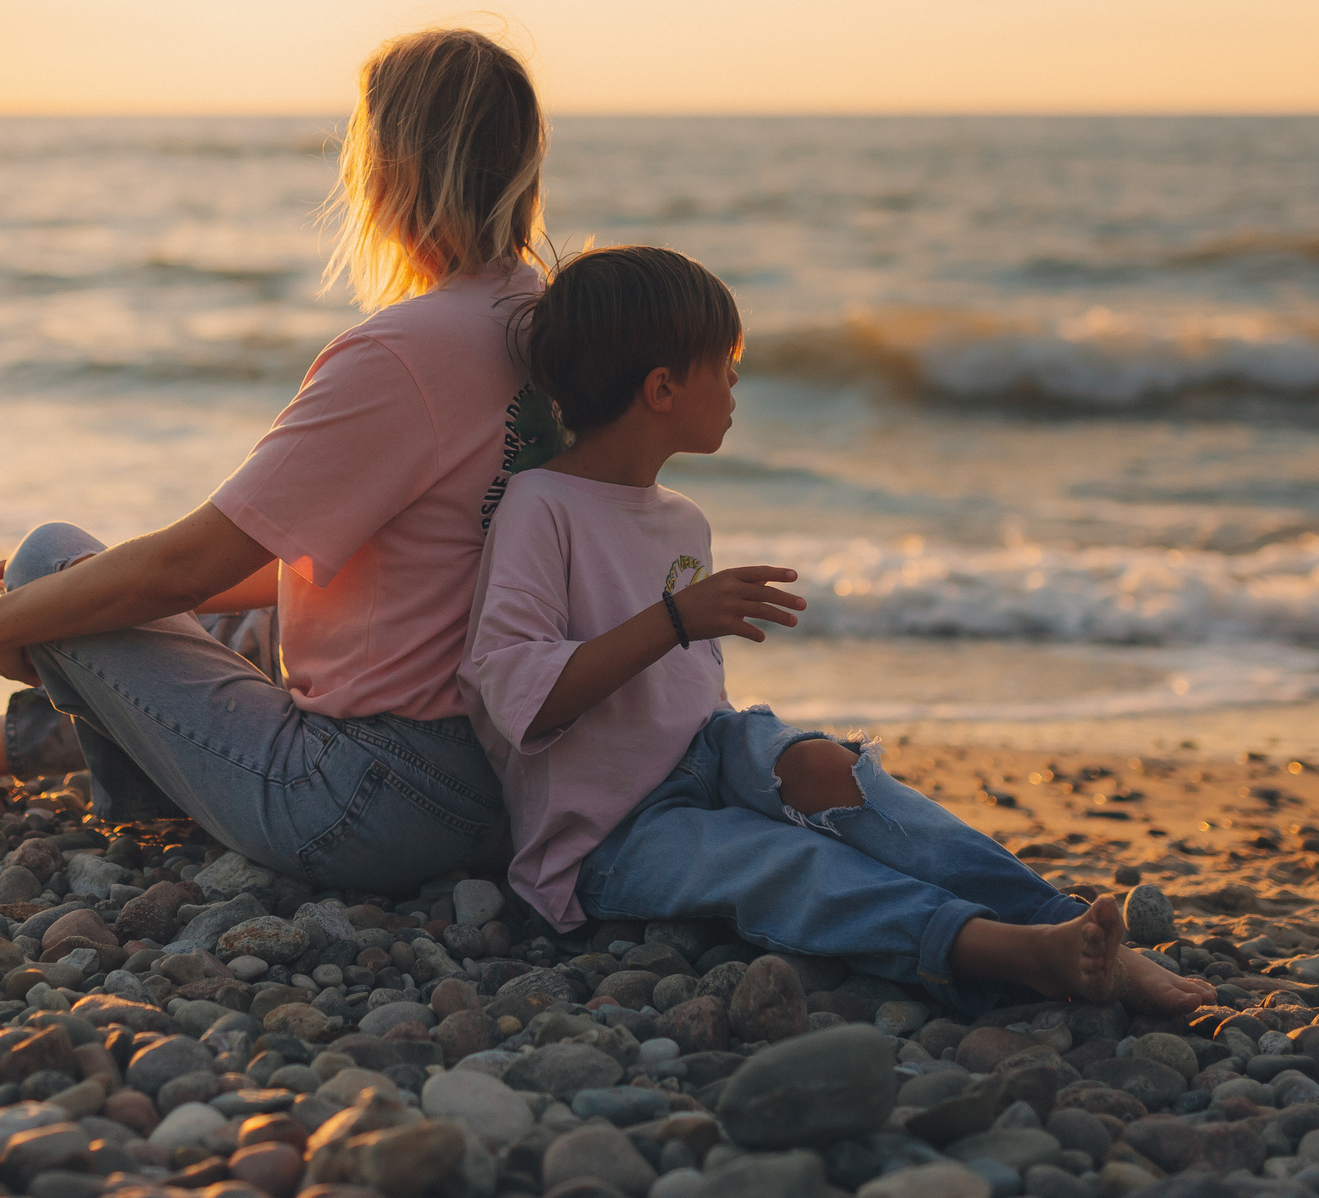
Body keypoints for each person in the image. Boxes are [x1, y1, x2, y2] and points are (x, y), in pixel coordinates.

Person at [0, 28, 563, 894]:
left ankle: (140, 799)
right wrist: (91, 598)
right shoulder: (552, 325)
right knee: (226, 623)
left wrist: (16, 615)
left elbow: (188, 565)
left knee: (51, 555)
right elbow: (377, 571)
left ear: (389, 168)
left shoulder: (404, 352)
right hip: (506, 777)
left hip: (367, 801)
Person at [459, 245, 1213, 1013]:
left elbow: (683, 696)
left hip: (704, 753)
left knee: (833, 770)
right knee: (784, 860)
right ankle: (1005, 951)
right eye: (724, 363)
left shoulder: (684, 518)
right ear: (661, 388)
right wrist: (677, 619)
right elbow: (523, 697)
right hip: (607, 832)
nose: (736, 381)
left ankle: (1061, 920)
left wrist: (695, 655)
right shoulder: (540, 505)